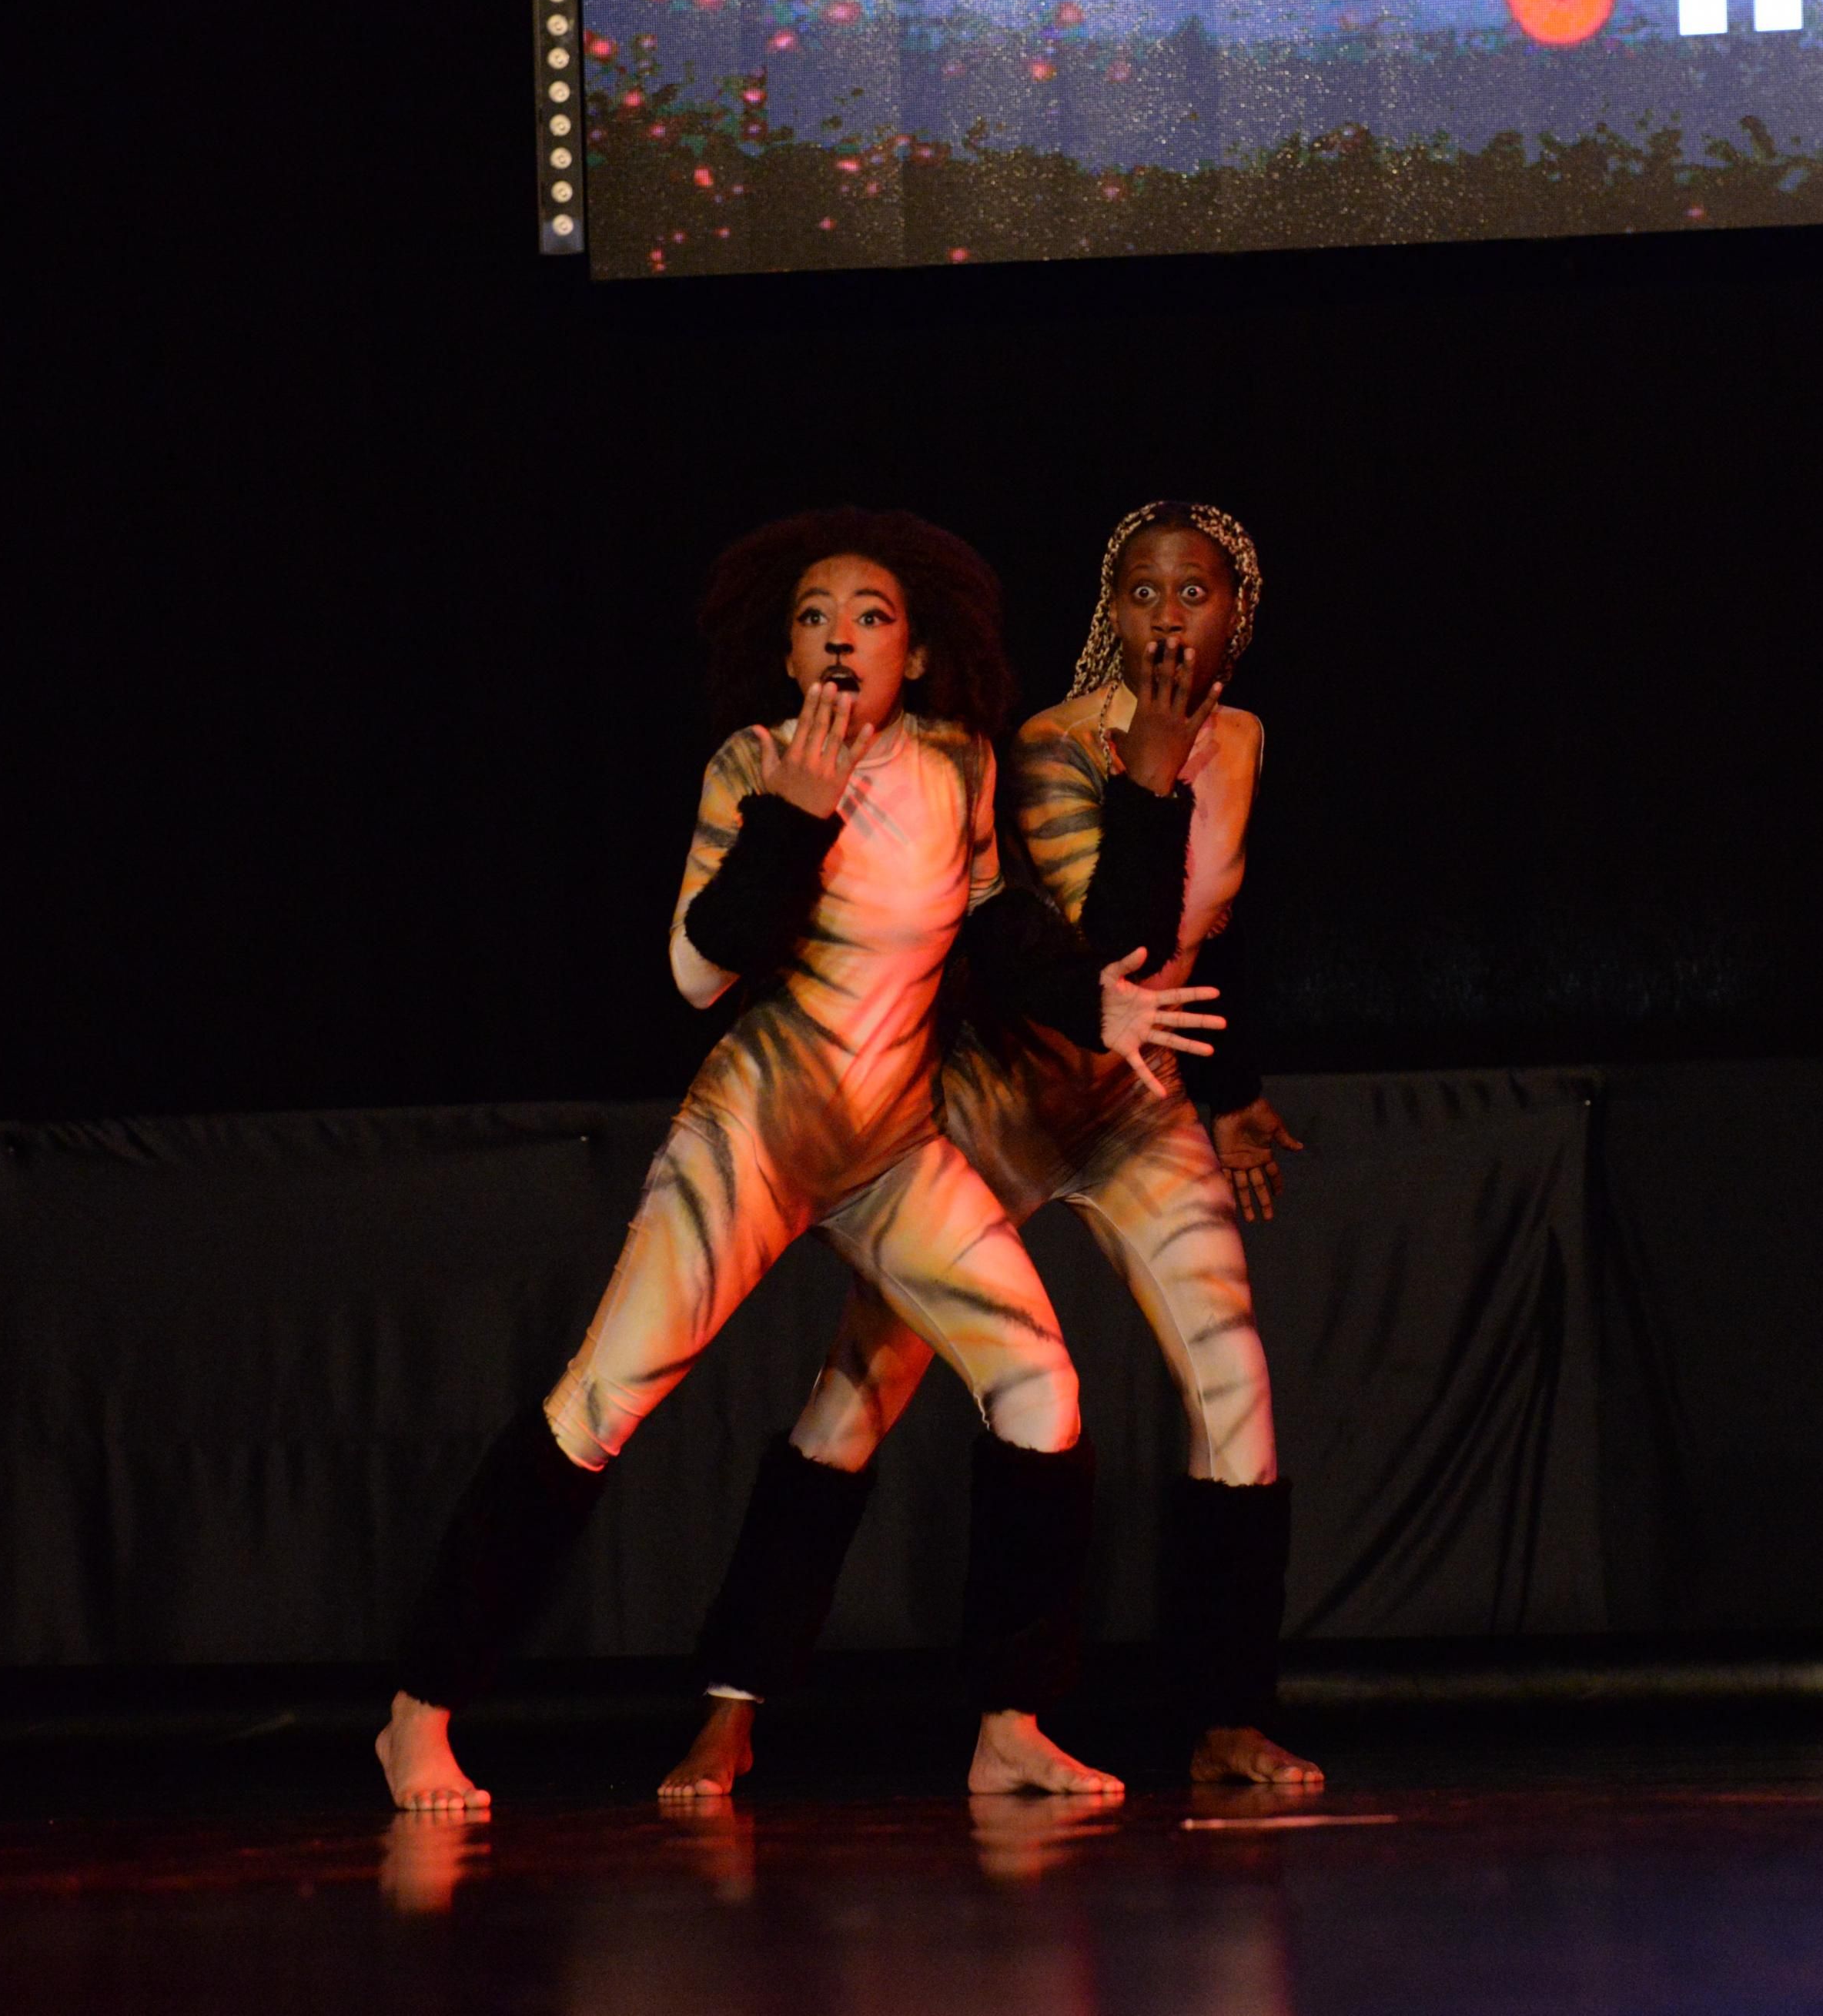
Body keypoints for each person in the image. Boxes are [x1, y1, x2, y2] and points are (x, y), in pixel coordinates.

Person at [376, 508, 1223, 1811]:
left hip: (889, 1148)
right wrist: (790, 820)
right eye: (816, 618)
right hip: (757, 1137)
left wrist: (1092, 1002)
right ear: (787, 655)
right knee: (601, 1401)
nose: (841, 637)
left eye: (870, 617)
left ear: (915, 655)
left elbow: (993, 923)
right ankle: (419, 1711)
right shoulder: (753, 764)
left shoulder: (957, 764)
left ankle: (1011, 1724)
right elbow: (694, 971)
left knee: (1040, 1387)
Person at [664, 501, 1320, 1800]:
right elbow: (1108, 953)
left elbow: (1209, 931)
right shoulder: (1053, 748)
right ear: (1110, 611)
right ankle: (731, 1705)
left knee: (1234, 1381)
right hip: (1005, 1091)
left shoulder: (1245, 739)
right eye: (1141, 592)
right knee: (863, 1381)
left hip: (1137, 1109)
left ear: (1237, 615)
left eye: (1194, 594)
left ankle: (1225, 1717)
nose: (1167, 619)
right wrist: (1151, 769)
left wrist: (1233, 1090)